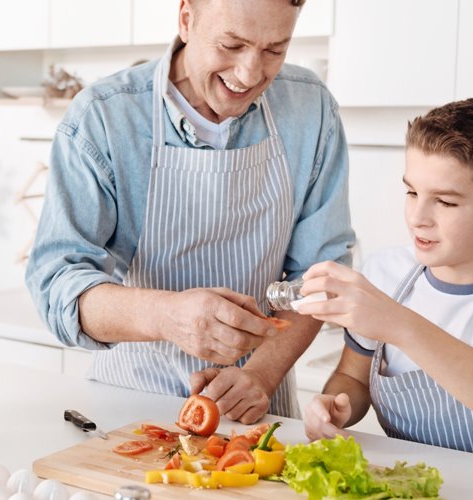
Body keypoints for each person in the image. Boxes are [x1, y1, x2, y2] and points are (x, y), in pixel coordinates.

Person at [25, 0, 355, 423]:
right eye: (231, 44)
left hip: (257, 415)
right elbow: (57, 283)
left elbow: (318, 274)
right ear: (186, 18)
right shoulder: (105, 117)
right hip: (130, 409)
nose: (250, 73)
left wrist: (261, 373)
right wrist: (166, 316)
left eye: (275, 50)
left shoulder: (311, 108)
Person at [298, 97, 473, 467]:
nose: (418, 217)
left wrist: (397, 324)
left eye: (445, 202)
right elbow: (354, 377)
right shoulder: (386, 272)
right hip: (413, 484)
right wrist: (335, 406)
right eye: (412, 192)